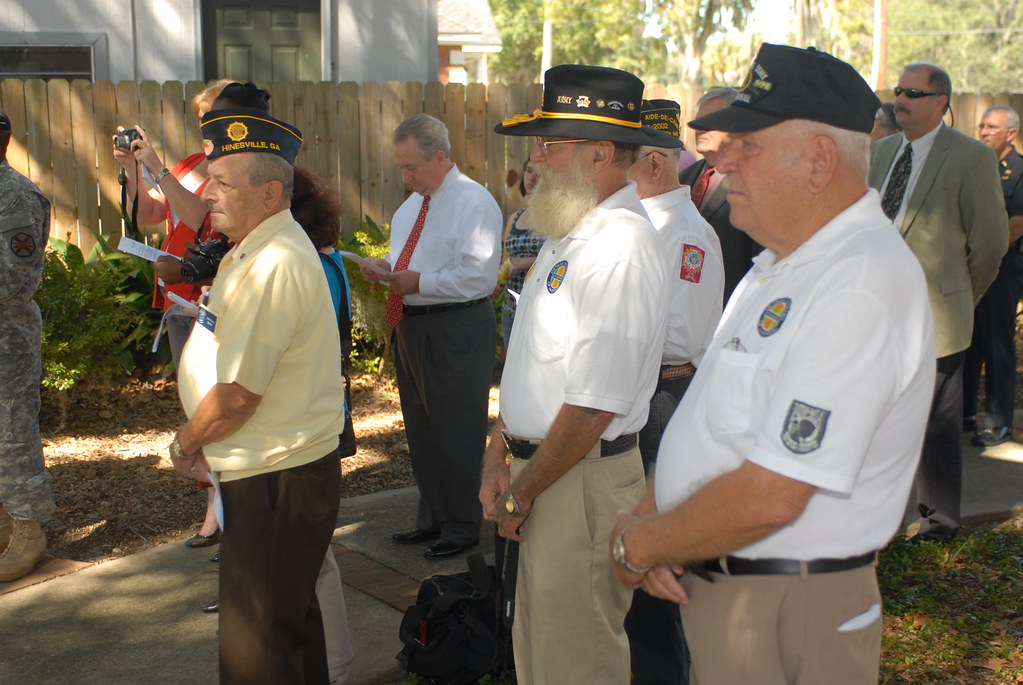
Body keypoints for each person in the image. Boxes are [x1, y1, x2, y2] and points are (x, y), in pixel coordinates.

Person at [610, 43, 935, 685]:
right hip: (738, 593)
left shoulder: (860, 281)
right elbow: (713, 423)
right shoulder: (781, 265)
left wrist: (638, 543)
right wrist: (654, 515)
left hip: (789, 612)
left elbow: (775, 493)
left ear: (818, 160)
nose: (722, 160)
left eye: (748, 146)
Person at [483, 64, 675, 684]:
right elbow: (534, 367)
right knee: (541, 657)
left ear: (600, 153)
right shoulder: (570, 233)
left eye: (550, 143)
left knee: (575, 663)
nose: (536, 158)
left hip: (578, 481)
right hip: (547, 473)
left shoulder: (619, 248)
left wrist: (520, 492)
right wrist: (498, 455)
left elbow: (593, 407)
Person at [172, 107, 344, 684]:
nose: (207, 193)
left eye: (222, 183)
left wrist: (185, 442)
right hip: (269, 469)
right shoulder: (254, 248)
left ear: (270, 194)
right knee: (285, 631)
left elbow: (238, 397)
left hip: (276, 478)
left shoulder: (273, 261)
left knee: (259, 648)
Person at [868, 62, 1008, 541]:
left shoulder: (971, 157)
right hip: (877, 312)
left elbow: (990, 243)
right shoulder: (883, 151)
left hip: (937, 318)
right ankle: (879, 518)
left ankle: (938, 523)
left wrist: (960, 296)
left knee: (936, 426)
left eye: (912, 93)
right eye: (898, 91)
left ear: (941, 102)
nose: (900, 100)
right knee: (879, 421)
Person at [359, 114, 502, 561]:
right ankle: (434, 517)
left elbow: (478, 278)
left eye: (412, 167)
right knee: (422, 429)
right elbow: (413, 257)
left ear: (439, 157)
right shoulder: (411, 208)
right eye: (401, 168)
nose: (406, 177)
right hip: (414, 324)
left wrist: (419, 282)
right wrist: (385, 267)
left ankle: (462, 526)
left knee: (457, 428)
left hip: (456, 326)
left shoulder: (473, 203)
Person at [624, 98, 724, 685]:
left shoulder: (686, 234)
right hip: (644, 393)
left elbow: (681, 337)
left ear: (655, 165)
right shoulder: (642, 225)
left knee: (658, 551)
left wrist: (610, 330)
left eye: (625, 161)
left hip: (666, 396)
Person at [292, 167, 356, 685]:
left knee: (313, 554)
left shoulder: (311, 266)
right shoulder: (326, 260)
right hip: (316, 414)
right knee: (314, 553)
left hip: (307, 421)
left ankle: (332, 664)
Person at [0, 107, 56, 582]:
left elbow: (13, 275)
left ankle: (27, 531)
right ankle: (4, 523)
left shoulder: (16, 196)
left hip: (7, 340)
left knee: (13, 431)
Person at [963, 105, 1023, 447]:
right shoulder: (975, 165)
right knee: (968, 341)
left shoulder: (1019, 170)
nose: (984, 132)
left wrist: (985, 251)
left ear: (1010, 133)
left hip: (1002, 268)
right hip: (970, 266)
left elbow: (1018, 222)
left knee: (998, 344)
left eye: (992, 127)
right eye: (981, 126)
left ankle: (1000, 424)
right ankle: (965, 413)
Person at [679, 87, 762, 304]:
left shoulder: (750, 181)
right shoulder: (684, 177)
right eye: (697, 122)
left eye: (710, 121)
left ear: (734, 125)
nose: (700, 128)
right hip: (684, 305)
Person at [499, 159, 542, 348]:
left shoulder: (556, 217)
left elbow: (562, 258)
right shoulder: (514, 218)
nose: (532, 178)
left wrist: (523, 263)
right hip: (511, 310)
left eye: (539, 174)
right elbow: (506, 261)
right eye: (529, 171)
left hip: (539, 310)